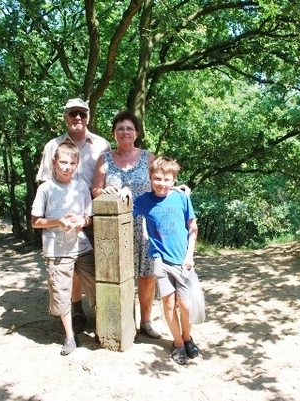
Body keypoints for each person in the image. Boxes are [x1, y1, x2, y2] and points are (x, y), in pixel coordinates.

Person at [37, 98, 111, 334]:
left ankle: (103, 312)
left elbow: (110, 178)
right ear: (65, 116)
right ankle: (77, 311)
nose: (77, 118)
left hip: (94, 214)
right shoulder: (53, 146)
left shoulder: (102, 145)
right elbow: (45, 183)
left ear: (88, 116)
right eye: (72, 113)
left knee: (96, 265)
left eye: (82, 113)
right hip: (63, 221)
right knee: (71, 267)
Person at [91, 111, 162, 339]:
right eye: (120, 128)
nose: (125, 132)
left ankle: (146, 321)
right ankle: (123, 320)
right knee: (119, 275)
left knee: (147, 275)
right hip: (114, 227)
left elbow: (162, 186)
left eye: (129, 128)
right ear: (114, 133)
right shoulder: (105, 159)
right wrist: (104, 191)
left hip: (145, 226)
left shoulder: (149, 158)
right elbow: (95, 190)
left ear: (137, 133)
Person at [127, 156, 200, 365]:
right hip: (160, 260)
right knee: (169, 303)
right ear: (150, 178)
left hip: (183, 260)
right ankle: (177, 343)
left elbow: (192, 227)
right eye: (157, 179)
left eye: (167, 179)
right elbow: (127, 207)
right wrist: (124, 192)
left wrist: (190, 255)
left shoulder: (182, 198)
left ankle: (187, 337)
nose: (162, 183)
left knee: (185, 305)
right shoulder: (144, 201)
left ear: (174, 180)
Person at [31, 142, 96, 355]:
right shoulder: (45, 189)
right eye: (63, 162)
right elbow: (35, 221)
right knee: (61, 292)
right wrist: (58, 221)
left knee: (97, 285)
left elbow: (89, 217)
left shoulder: (81, 188)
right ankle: (69, 336)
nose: (67, 167)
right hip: (56, 250)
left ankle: (100, 326)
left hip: (81, 246)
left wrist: (80, 222)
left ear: (77, 164)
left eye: (72, 163)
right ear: (54, 163)